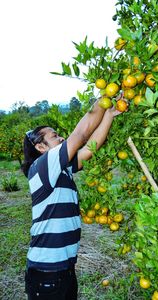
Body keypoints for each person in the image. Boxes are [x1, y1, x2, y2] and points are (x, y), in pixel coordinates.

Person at [21, 98, 123, 300]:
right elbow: (81, 135)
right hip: (47, 270)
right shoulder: (44, 164)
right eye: (55, 136)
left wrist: (109, 115)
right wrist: (104, 97)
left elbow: (89, 149)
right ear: (40, 147)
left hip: (65, 267)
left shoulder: (61, 168)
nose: (61, 138)